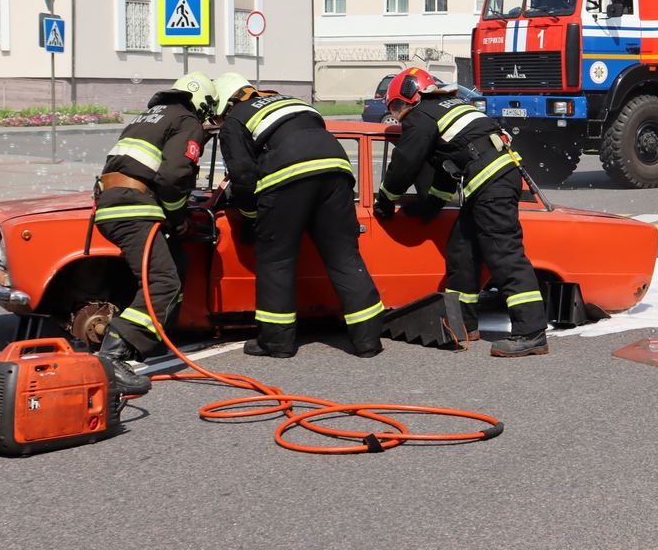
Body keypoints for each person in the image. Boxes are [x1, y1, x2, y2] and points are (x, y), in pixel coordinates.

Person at [375, 67, 549, 357]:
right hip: (489, 183)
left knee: (504, 254)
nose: (397, 114)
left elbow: (406, 162)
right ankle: (465, 325)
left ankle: (531, 333)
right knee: (462, 251)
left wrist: (386, 198)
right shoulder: (446, 107)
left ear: (409, 96)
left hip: (491, 184)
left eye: (395, 105)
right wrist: (433, 203)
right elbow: (448, 164)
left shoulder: (421, 116)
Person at [212, 72, 384, 359]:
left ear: (225, 103)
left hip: (288, 176)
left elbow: (242, 173)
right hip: (337, 169)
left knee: (276, 260)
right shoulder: (290, 101)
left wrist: (251, 215)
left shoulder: (235, 118)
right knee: (344, 255)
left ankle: (276, 342)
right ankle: (368, 341)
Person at [92, 72, 214, 395]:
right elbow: (174, 177)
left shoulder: (148, 117)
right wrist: (176, 218)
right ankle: (113, 358)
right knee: (164, 282)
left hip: (112, 203)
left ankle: (153, 338)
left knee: (176, 260)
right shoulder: (187, 120)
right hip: (134, 207)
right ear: (203, 103)